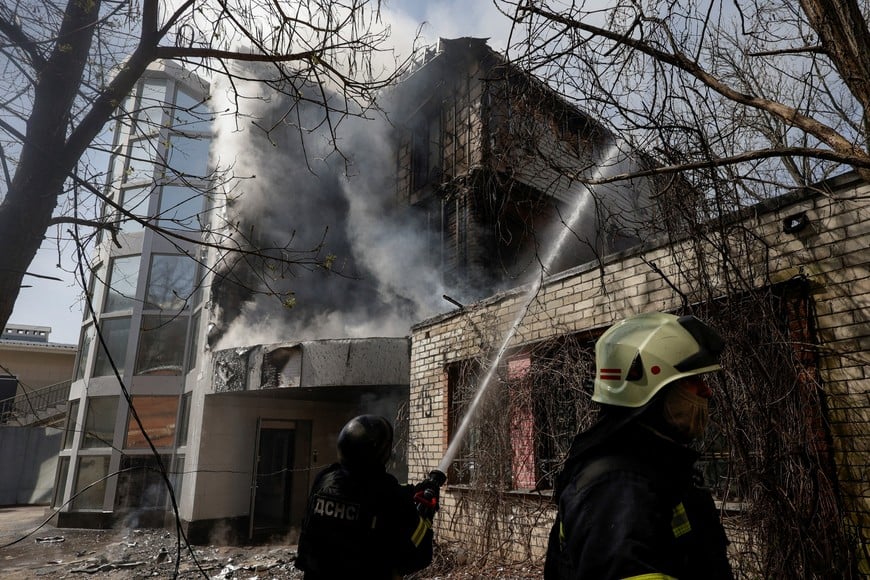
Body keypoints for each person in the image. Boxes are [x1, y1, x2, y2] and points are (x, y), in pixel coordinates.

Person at [544, 312, 734, 580]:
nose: (707, 391)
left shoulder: (652, 465)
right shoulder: (616, 488)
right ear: (651, 389)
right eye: (692, 380)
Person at [295, 414, 440, 579]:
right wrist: (426, 514)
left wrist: (411, 491)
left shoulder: (324, 480)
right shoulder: (389, 494)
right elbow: (417, 557)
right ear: (381, 453)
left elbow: (364, 491)